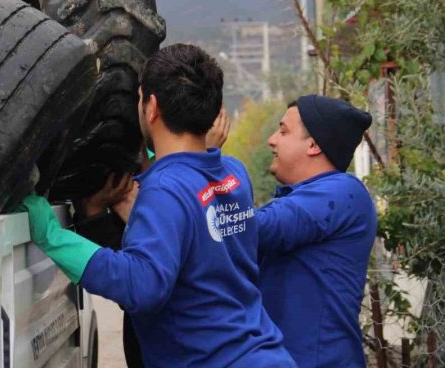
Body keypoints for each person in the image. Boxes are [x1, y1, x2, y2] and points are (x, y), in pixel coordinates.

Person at [21, 43, 294, 367]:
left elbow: (142, 285)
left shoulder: (163, 189)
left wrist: (52, 236)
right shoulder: (234, 173)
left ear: (151, 108)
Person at [74, 107, 231, 368]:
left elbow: (147, 284)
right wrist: (95, 214)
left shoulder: (190, 187)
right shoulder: (130, 182)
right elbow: (131, 278)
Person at [258, 95, 376, 367]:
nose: (272, 139)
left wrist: (208, 166)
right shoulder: (295, 199)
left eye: (283, 130)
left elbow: (259, 228)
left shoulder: (344, 191)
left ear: (313, 145)